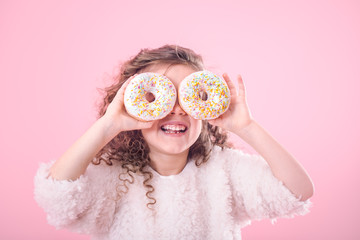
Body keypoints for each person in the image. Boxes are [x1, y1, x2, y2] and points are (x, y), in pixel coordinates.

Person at [34, 45, 314, 240]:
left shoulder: (224, 171)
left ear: (205, 113)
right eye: (161, 98)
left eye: (189, 99)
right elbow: (57, 196)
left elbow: (297, 192)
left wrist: (247, 128)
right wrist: (108, 125)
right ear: (134, 107)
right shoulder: (115, 178)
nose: (178, 109)